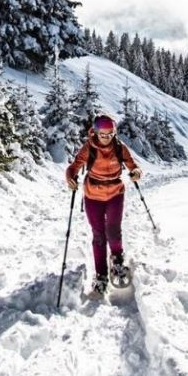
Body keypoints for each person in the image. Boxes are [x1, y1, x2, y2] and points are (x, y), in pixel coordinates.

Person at [66, 114, 142, 294]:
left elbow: (133, 165)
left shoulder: (119, 147)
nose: (107, 137)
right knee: (99, 235)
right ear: (96, 132)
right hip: (93, 196)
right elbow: (74, 167)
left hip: (115, 193)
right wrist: (70, 178)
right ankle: (101, 274)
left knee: (114, 231)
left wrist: (136, 172)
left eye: (110, 134)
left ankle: (117, 259)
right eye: (103, 134)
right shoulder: (89, 148)